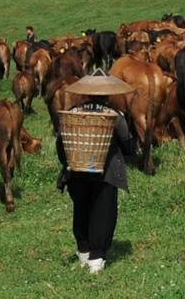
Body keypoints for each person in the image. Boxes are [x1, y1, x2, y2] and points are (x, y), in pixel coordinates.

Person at [55, 74, 138, 274]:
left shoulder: (73, 111)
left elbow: (61, 143)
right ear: (108, 95)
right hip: (105, 172)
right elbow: (127, 143)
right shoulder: (114, 114)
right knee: (104, 212)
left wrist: (69, 162)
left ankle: (83, 250)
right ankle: (96, 257)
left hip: (77, 170)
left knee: (81, 208)